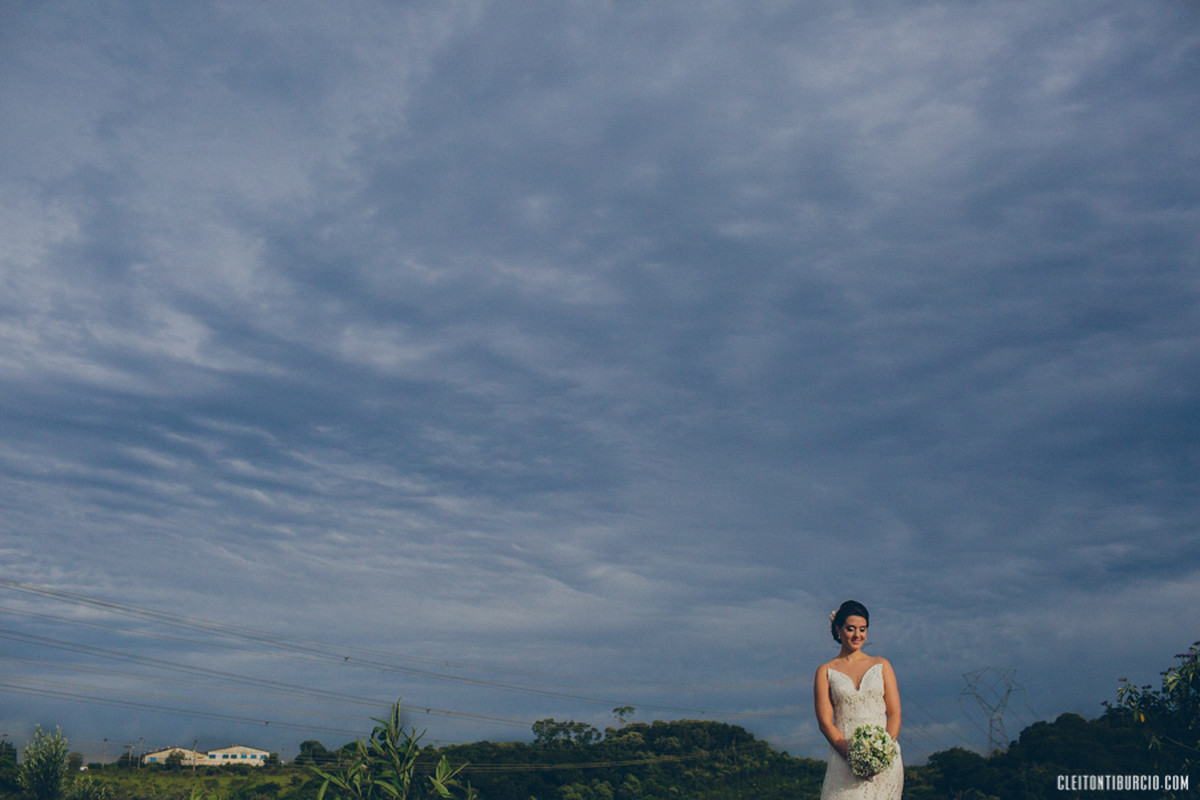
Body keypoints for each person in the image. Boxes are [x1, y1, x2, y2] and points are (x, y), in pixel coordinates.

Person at [813, 600, 903, 800]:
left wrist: (882, 755)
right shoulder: (825, 671)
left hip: (884, 761)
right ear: (838, 629)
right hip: (844, 755)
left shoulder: (881, 665)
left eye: (862, 629)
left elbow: (894, 714)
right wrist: (852, 757)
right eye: (850, 629)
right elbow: (825, 723)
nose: (857, 635)